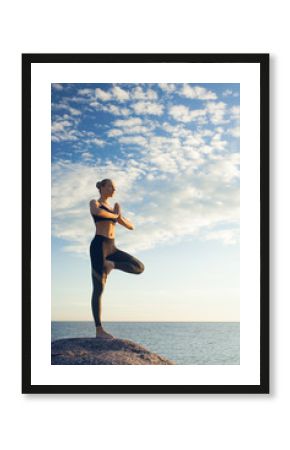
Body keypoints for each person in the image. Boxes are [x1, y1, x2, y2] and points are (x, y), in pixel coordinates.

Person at [89, 178, 145, 338]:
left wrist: (119, 215)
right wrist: (114, 214)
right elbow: (97, 213)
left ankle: (111, 264)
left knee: (139, 267)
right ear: (103, 188)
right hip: (99, 246)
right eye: (111, 187)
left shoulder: (114, 208)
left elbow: (130, 226)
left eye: (115, 188)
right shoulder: (95, 203)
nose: (114, 190)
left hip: (112, 248)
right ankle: (99, 329)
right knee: (98, 288)